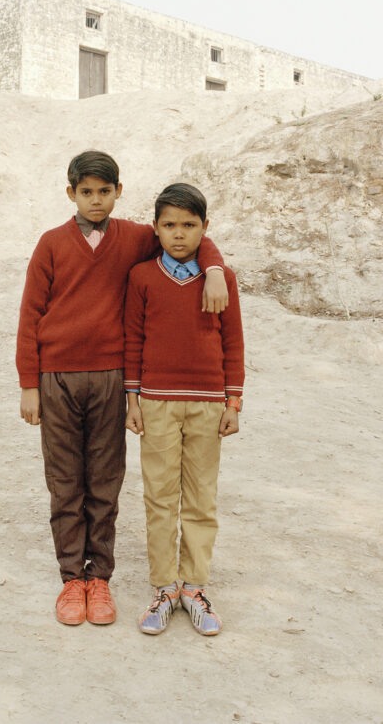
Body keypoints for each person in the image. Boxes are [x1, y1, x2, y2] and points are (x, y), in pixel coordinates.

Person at [16, 152, 228, 626]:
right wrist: (29, 384)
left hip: (111, 378)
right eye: (86, 192)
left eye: (104, 192)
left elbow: (193, 237)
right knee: (65, 480)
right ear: (71, 193)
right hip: (57, 378)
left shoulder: (134, 238)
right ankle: (73, 579)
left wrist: (214, 269)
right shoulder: (50, 244)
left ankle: (101, 579)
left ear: (118, 192)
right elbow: (30, 315)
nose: (95, 201)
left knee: (105, 481)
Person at [124, 182, 244, 636]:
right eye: (169, 225)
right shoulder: (141, 278)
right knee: (159, 496)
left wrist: (233, 401)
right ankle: (163, 587)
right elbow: (132, 340)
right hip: (154, 402)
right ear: (155, 229)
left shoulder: (221, 278)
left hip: (208, 403)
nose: (179, 234)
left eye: (189, 225)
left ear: (205, 228)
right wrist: (132, 399)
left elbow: (232, 341)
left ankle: (194, 587)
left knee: (200, 498)